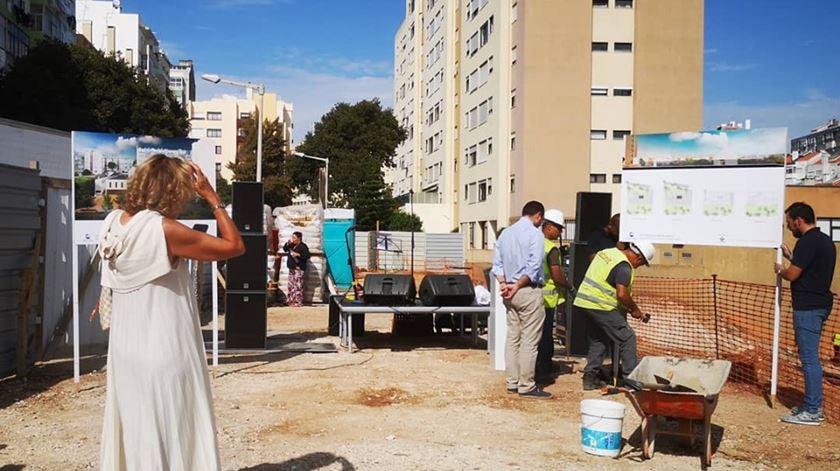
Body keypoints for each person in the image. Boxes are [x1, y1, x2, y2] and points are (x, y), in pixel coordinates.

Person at [98, 155, 244, 470]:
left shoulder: (113, 222)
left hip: (125, 351)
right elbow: (234, 246)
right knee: (172, 429)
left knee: (138, 431)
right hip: (164, 346)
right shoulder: (166, 230)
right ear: (173, 191)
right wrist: (213, 198)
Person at [776, 202, 836, 426]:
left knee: (809, 360)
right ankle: (811, 406)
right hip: (819, 304)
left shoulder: (807, 242)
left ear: (799, 221)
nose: (789, 226)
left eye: (790, 222)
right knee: (810, 357)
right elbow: (809, 269)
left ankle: (812, 410)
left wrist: (781, 270)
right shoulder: (823, 240)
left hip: (808, 308)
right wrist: (791, 256)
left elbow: (792, 275)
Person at [573, 241, 655, 390]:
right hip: (601, 305)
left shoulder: (608, 252)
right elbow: (621, 294)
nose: (639, 266)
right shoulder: (624, 266)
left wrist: (629, 309)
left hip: (584, 302)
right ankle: (631, 379)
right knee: (627, 337)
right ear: (639, 258)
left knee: (599, 341)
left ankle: (590, 378)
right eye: (642, 263)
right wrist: (635, 309)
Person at [491, 201, 551, 398]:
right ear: (539, 216)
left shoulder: (505, 233)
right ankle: (526, 384)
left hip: (508, 291)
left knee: (513, 337)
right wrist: (517, 285)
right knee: (529, 340)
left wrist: (504, 284)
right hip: (527, 290)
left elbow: (497, 265)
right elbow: (534, 267)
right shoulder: (535, 235)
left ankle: (512, 381)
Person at [536, 209, 573, 380]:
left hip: (531, 296)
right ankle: (544, 369)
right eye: (559, 228)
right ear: (549, 227)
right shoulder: (551, 248)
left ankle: (533, 367)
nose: (560, 233)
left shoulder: (532, 242)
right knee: (545, 337)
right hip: (547, 300)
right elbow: (557, 276)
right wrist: (569, 286)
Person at [283, 231, 311, 307]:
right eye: (292, 237)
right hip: (291, 267)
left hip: (299, 268)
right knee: (291, 284)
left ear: (299, 238)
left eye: (294, 238)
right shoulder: (291, 245)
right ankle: (290, 300)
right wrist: (287, 244)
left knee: (298, 285)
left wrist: (298, 254)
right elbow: (285, 249)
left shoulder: (303, 246)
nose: (293, 239)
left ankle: (298, 301)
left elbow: (307, 256)